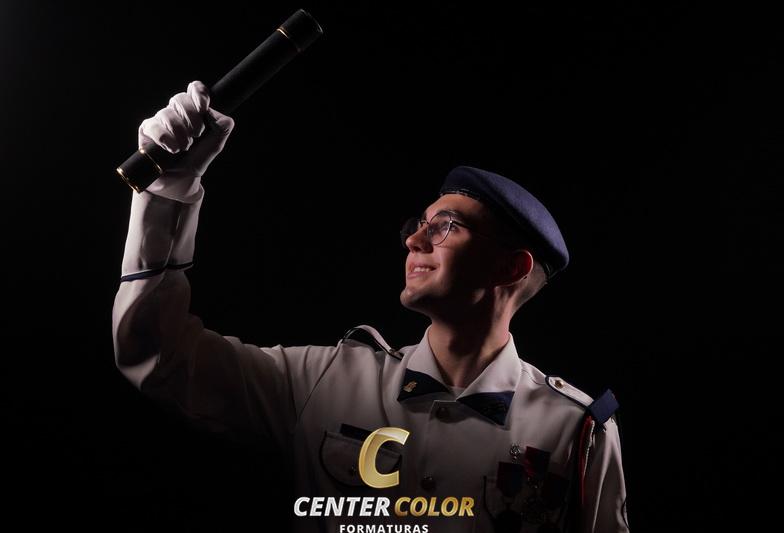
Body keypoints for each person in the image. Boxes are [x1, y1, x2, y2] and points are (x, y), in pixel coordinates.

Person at [113, 81, 629, 533]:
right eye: (418, 226)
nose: (414, 241)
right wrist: (168, 190)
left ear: (511, 267)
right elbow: (160, 358)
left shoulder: (579, 431)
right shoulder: (324, 380)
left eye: (445, 226)